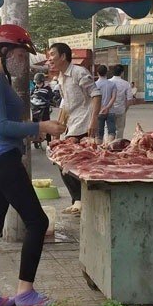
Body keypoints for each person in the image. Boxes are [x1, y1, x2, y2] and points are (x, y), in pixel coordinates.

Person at [0, 24, 65, 306]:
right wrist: (40, 126)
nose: (22, 60)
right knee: (37, 222)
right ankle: (25, 293)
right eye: (19, 52)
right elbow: (1, 127)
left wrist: (31, 130)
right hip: (2, 159)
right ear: (3, 50)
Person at [46, 42, 100, 215]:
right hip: (71, 126)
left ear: (63, 56)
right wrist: (58, 127)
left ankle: (80, 201)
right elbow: (65, 104)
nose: (49, 58)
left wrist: (94, 122)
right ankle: (78, 200)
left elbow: (96, 95)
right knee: (62, 162)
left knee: (70, 163)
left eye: (52, 54)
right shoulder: (61, 77)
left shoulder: (79, 72)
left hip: (84, 124)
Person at [30, 72, 55, 148]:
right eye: (36, 83)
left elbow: (51, 98)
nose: (38, 84)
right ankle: (35, 139)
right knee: (34, 124)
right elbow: (31, 96)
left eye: (39, 83)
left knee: (47, 124)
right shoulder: (34, 89)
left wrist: (49, 101)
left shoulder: (48, 89)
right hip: (35, 109)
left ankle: (49, 142)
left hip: (44, 109)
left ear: (43, 82)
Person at [94, 65, 117, 142]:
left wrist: (101, 108)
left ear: (97, 73)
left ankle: (98, 149)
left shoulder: (95, 85)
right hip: (110, 111)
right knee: (111, 132)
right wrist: (107, 107)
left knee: (99, 133)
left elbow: (94, 99)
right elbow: (113, 97)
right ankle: (110, 147)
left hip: (99, 111)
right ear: (106, 73)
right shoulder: (112, 84)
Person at [110, 65, 134, 140]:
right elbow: (129, 99)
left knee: (109, 130)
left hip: (110, 110)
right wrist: (125, 109)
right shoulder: (126, 84)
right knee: (120, 129)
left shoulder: (108, 82)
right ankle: (117, 147)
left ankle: (108, 145)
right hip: (121, 109)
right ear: (122, 73)